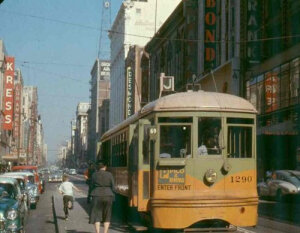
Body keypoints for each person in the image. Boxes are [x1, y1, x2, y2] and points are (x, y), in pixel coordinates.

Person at [89, 161, 115, 233]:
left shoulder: (94, 175)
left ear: (98, 167)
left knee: (96, 215)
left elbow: (91, 186)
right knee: (107, 215)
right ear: (105, 167)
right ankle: (105, 232)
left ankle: (97, 232)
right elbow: (113, 186)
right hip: (108, 195)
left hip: (96, 195)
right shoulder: (110, 174)